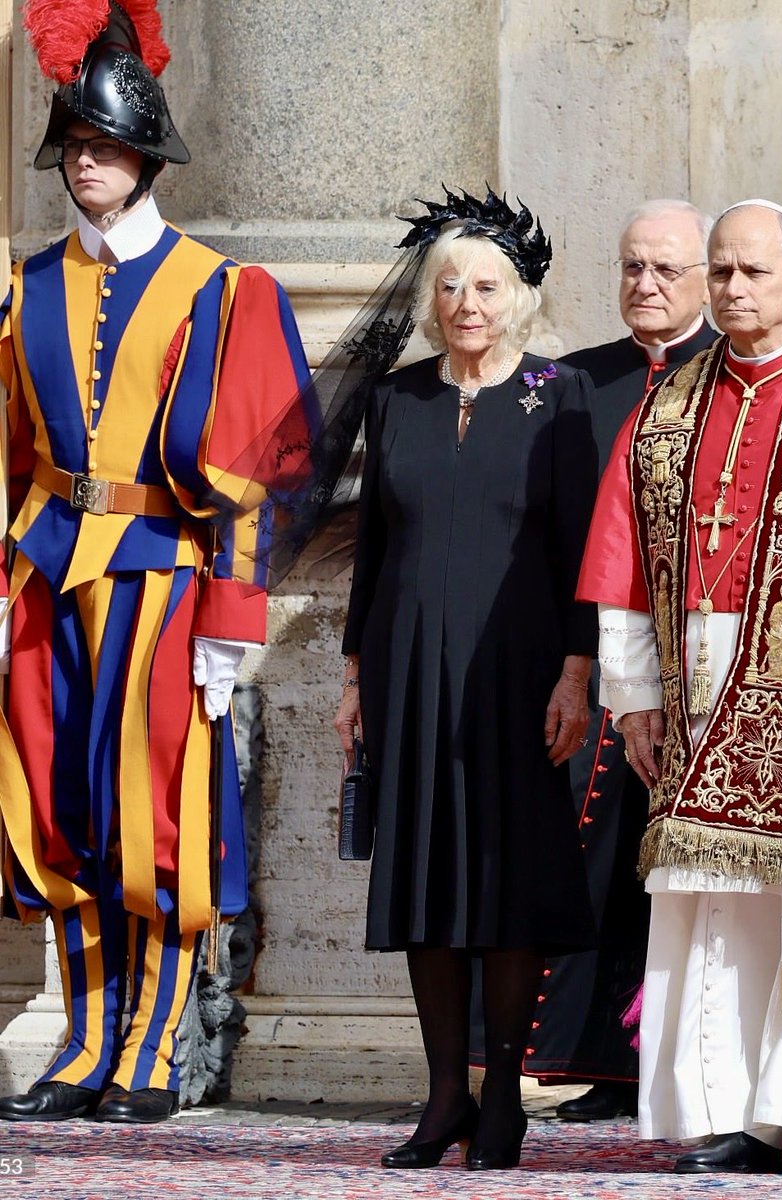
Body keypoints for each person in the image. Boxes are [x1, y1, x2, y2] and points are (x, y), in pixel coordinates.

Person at [0, 0, 309, 1124]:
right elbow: (20, 455)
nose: (88, 164)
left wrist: (233, 617)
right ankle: (82, 1044)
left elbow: (254, 471)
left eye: (107, 147)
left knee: (154, 815)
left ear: (145, 158)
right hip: (47, 576)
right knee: (55, 802)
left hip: (164, 575)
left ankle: (147, 1049)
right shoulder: (27, 288)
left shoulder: (221, 292)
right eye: (75, 147)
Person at [578, 198, 782, 1177]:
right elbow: (618, 556)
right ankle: (730, 1107)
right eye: (722, 272)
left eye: (752, 271)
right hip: (694, 667)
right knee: (715, 898)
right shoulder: (666, 406)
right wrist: (631, 695)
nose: (735, 288)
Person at [333, 187, 598, 1171]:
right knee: (426, 879)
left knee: (504, 879)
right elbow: (371, 551)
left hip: (519, 672)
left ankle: (501, 1097)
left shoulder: (556, 397)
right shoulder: (396, 399)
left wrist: (576, 673)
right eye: (448, 284)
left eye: (484, 284)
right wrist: (356, 674)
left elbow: (584, 551)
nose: (464, 301)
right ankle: (442, 1093)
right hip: (406, 673)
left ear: (517, 296)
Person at [524, 201, 716, 1124]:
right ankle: (601, 1063)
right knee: (596, 855)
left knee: (678, 868)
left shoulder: (734, 375)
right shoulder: (578, 380)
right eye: (631, 267)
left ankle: (681, 1063)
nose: (644, 285)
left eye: (665, 271)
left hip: (702, 660)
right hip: (594, 654)